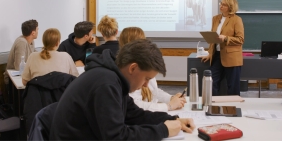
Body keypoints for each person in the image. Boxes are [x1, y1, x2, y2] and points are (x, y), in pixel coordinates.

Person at [50, 39, 195, 140]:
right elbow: (117, 137)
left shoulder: (113, 79)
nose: (146, 85)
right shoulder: (106, 84)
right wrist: (163, 130)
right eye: (147, 78)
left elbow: (134, 115)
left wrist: (173, 120)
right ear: (133, 68)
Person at [121, 27, 186, 112]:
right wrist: (168, 106)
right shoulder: (131, 73)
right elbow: (135, 105)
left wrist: (170, 98)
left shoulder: (145, 65)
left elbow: (154, 92)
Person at [201, 0, 244, 96]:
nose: (221, 6)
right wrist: (210, 54)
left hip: (232, 57)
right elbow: (213, 39)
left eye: (224, 4)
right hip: (217, 56)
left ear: (230, 6)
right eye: (221, 3)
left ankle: (233, 109)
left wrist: (226, 38)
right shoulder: (215, 18)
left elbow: (240, 39)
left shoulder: (236, 19)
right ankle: (213, 107)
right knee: (211, 82)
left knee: (232, 86)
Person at [4, 19, 38, 85]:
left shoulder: (31, 41)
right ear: (33, 33)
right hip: (12, 80)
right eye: (37, 29)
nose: (38, 31)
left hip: (22, 76)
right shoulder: (21, 42)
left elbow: (35, 54)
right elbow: (18, 67)